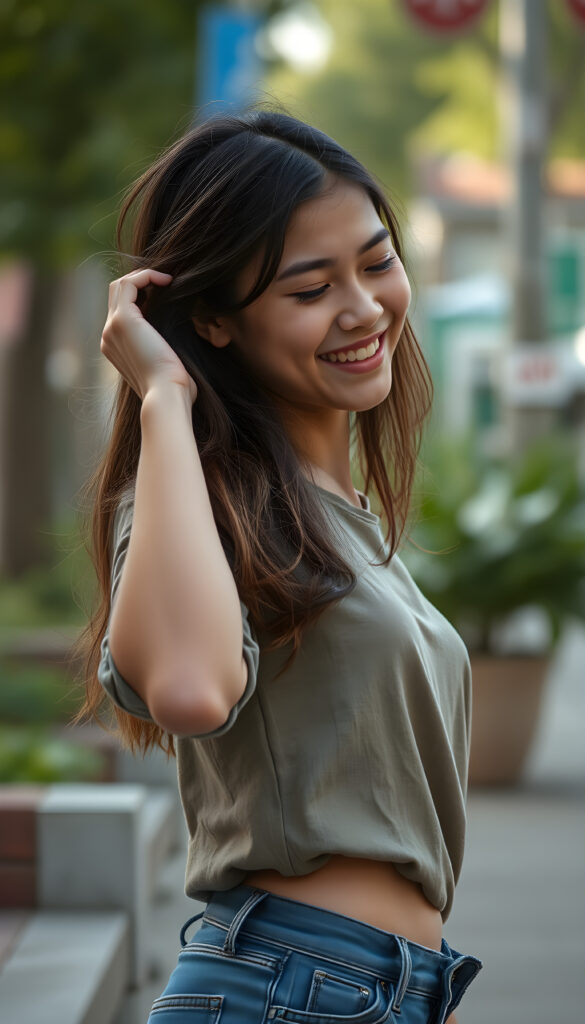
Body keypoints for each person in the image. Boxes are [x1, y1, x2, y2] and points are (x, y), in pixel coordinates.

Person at [77, 108, 483, 1023]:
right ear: (214, 321)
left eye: (376, 261)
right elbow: (187, 689)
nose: (364, 308)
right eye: (310, 290)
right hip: (285, 985)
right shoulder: (199, 501)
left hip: (380, 989)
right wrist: (166, 398)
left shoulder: (339, 519)